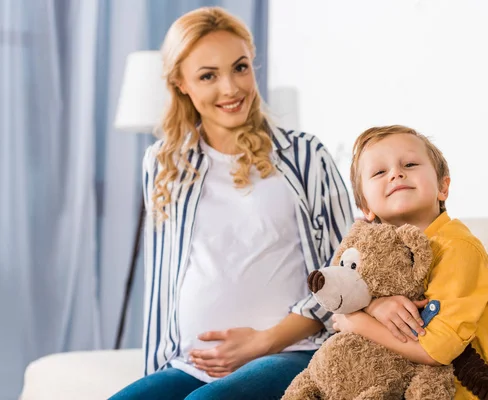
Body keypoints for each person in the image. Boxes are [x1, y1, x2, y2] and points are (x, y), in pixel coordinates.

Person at [110, 7, 353, 400]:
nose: (230, 88)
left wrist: (266, 340)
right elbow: (162, 279)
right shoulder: (163, 162)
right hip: (190, 365)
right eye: (208, 76)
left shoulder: (306, 155)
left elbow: (346, 274)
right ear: (180, 83)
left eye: (240, 68)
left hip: (294, 352)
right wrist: (155, 371)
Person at [331, 125, 488, 399]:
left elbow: (436, 349)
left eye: (410, 164)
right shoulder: (373, 253)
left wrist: (356, 322)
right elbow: (337, 306)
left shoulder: (458, 249)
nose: (396, 173)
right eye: (380, 172)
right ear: (366, 207)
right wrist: (374, 306)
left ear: (443, 187)